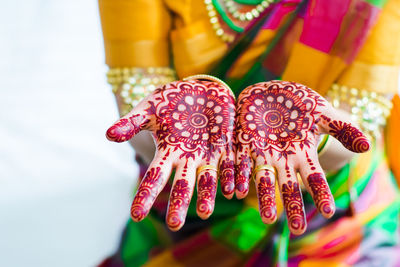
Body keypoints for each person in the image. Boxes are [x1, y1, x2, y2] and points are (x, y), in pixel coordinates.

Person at [98, 0, 400, 266]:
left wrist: (313, 139)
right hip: (185, 208)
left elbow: (355, 129)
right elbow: (139, 121)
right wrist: (167, 133)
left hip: (331, 223)